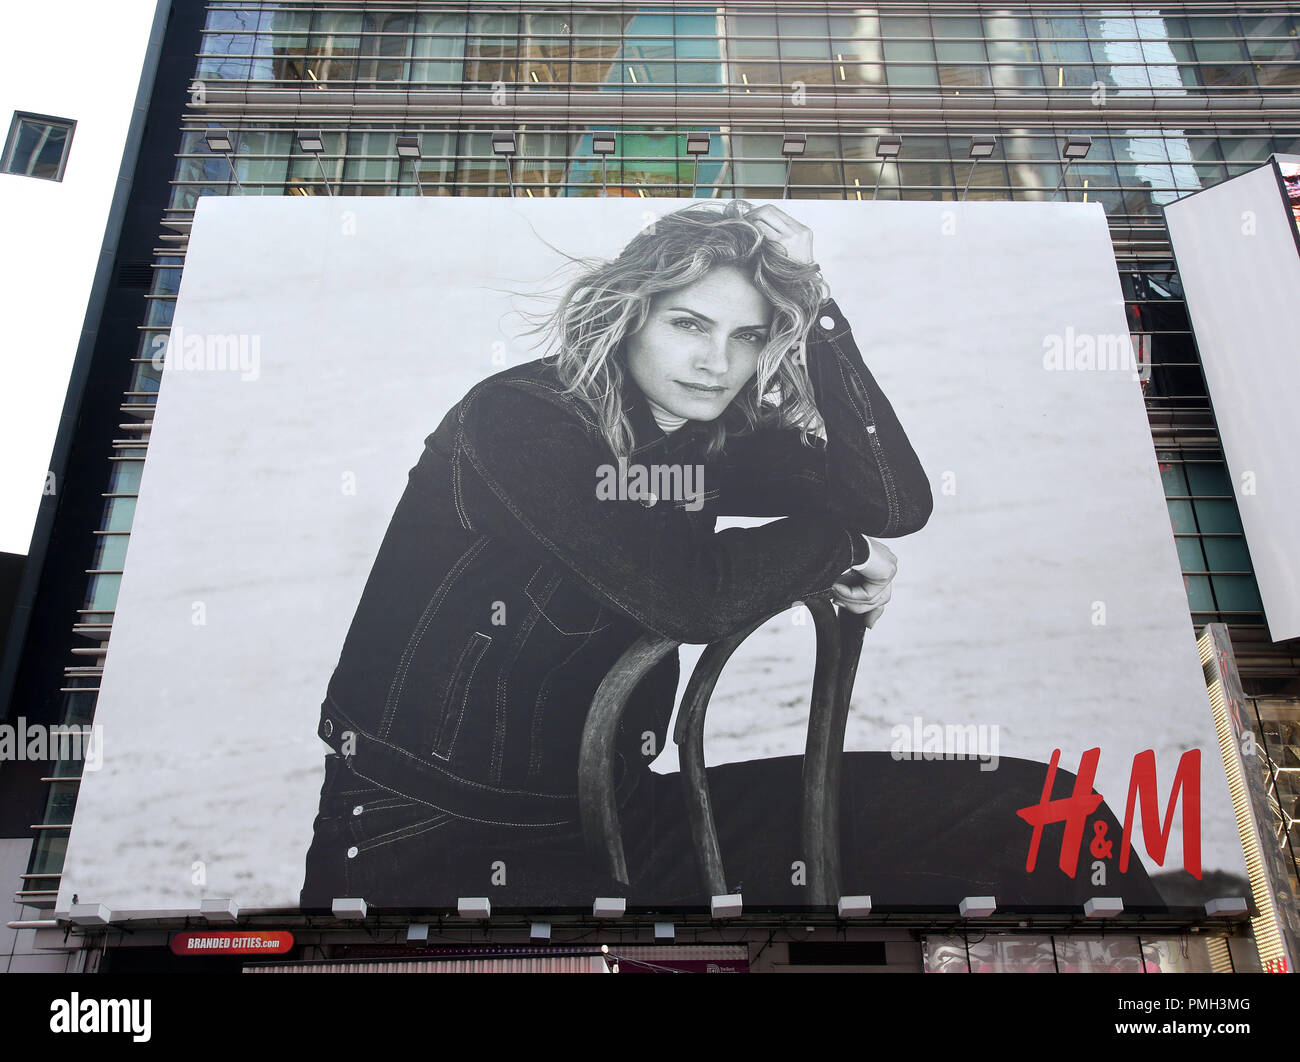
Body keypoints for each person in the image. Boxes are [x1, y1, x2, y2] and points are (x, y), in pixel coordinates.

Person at [300, 200, 1161, 911]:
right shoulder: (521, 423)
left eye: (749, 337)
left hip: (625, 820)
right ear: (627, 311)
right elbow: (690, 599)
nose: (718, 364)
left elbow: (896, 502)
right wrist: (836, 550)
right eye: (689, 324)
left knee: (1051, 816)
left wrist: (820, 321)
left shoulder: (703, 439)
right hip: (428, 842)